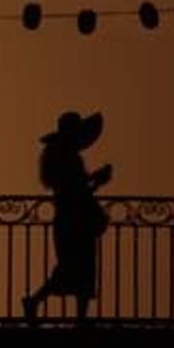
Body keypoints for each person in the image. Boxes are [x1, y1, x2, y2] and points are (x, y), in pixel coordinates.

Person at [23, 111, 112, 324]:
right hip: (74, 219)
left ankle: (39, 303)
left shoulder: (58, 155)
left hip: (70, 218)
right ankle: (39, 302)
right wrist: (97, 180)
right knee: (76, 268)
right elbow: (77, 190)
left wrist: (94, 181)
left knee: (75, 268)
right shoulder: (66, 157)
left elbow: (76, 189)